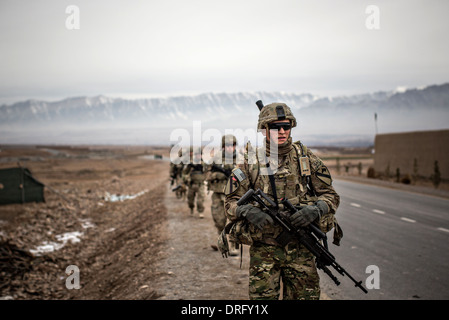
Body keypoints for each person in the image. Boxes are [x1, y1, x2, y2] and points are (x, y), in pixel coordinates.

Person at [222, 101, 340, 300]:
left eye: (287, 126)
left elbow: (331, 196)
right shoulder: (251, 160)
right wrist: (247, 211)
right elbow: (230, 203)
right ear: (264, 129)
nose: (282, 131)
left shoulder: (305, 158)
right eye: (276, 127)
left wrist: (317, 209)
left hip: (302, 249)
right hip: (265, 251)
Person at [206, 134, 239, 255]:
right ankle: (222, 242)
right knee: (219, 220)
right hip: (218, 193)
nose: (230, 148)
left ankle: (234, 246)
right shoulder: (216, 159)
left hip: (234, 195)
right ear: (224, 146)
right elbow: (207, 175)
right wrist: (216, 175)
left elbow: (246, 177)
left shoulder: (241, 160)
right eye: (227, 145)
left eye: (233, 145)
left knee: (234, 221)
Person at [182, 146, 206, 218]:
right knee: (190, 200)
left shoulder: (203, 164)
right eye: (197, 154)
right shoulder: (190, 164)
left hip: (200, 184)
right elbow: (184, 173)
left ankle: (200, 212)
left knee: (200, 200)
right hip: (192, 184)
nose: (198, 156)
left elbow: (208, 172)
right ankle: (191, 208)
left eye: (200, 154)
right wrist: (186, 178)